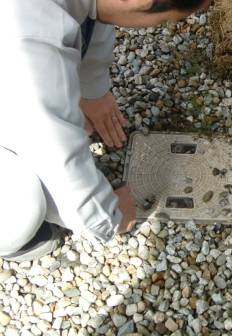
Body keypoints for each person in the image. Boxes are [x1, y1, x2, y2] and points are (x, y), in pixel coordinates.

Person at [0, 0, 211, 262]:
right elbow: (54, 156)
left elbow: (95, 14)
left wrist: (92, 89)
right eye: (165, 21)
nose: (160, 26)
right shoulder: (26, 43)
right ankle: (11, 238)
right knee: (22, 209)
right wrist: (107, 216)